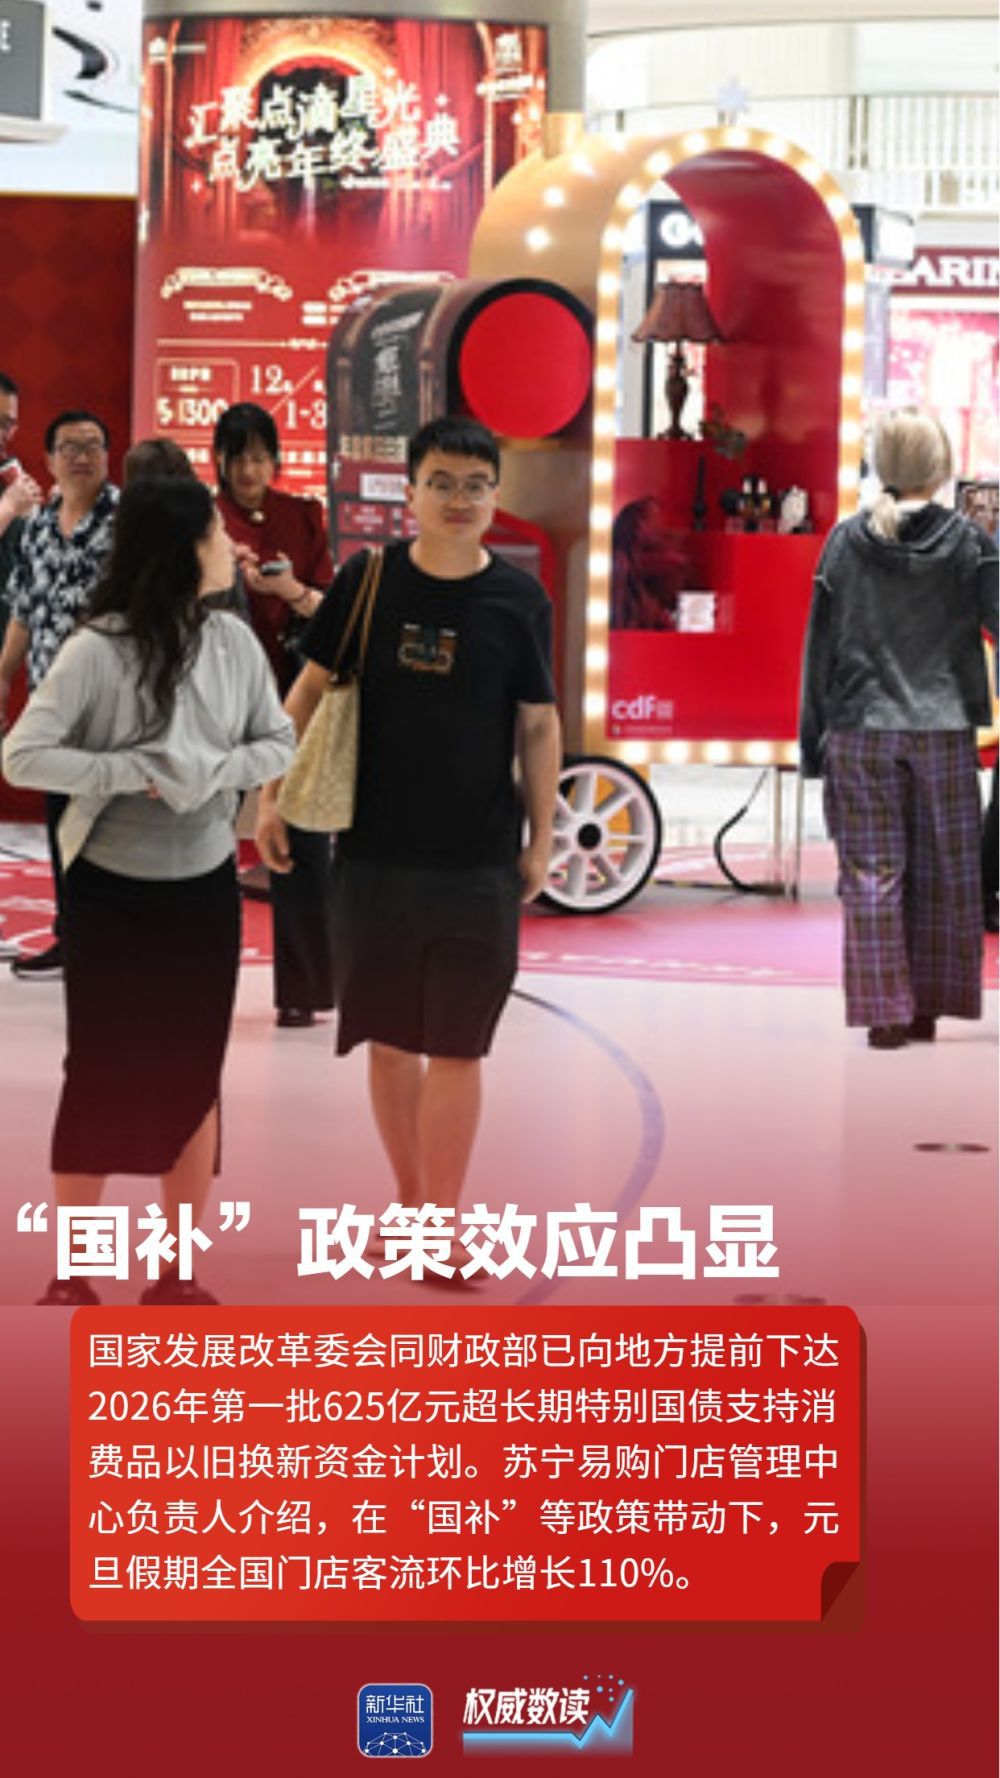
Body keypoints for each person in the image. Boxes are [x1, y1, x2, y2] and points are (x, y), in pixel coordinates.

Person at [256, 416, 561, 1266]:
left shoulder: (520, 601)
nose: (459, 499)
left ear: (494, 496)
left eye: (475, 485)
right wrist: (269, 795)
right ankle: (411, 1202)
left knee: (460, 1044)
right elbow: (307, 692)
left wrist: (542, 839)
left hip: (478, 861)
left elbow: (539, 725)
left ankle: (442, 1224)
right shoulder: (368, 579)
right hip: (375, 857)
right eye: (442, 483)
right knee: (391, 1043)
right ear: (412, 492)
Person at [3, 477, 295, 1306]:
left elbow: (278, 741)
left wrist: (213, 770)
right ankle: (72, 1271)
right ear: (181, 551)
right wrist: (130, 771)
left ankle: (178, 1271)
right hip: (108, 896)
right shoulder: (98, 650)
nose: (230, 548)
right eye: (215, 536)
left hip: (202, 894)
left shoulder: (234, 642)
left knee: (195, 1077)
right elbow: (22, 756)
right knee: (98, 1070)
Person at [799, 407, 999, 1048]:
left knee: (870, 873)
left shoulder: (844, 542)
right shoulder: (972, 545)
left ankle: (883, 1012)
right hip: (944, 730)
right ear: (940, 468)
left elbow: (818, 650)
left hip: (860, 727)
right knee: (945, 877)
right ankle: (926, 1009)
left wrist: (811, 745)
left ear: (880, 465)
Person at [213, 402, 335, 1028]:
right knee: (207, 836)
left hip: (295, 695)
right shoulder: (203, 519)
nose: (249, 470)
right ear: (219, 460)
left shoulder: (303, 515)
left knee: (300, 837)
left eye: (261, 457)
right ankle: (195, 979)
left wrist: (287, 591)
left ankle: (303, 991)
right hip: (219, 698)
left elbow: (331, 607)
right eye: (238, 458)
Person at [0, 409, 118, 979]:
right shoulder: (39, 528)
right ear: (48, 460)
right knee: (61, 820)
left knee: (105, 825)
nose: (81, 456)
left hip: (109, 705)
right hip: (51, 703)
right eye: (69, 447)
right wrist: (3, 676)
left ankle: (110, 940)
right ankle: (72, 937)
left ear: (108, 457)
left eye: (92, 445)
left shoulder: (128, 524)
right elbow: (23, 610)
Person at [0, 372, 43, 644]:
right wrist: (7, 508)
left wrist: (46, 518)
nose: (3, 434)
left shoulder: (7, 474)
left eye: (9, 424)